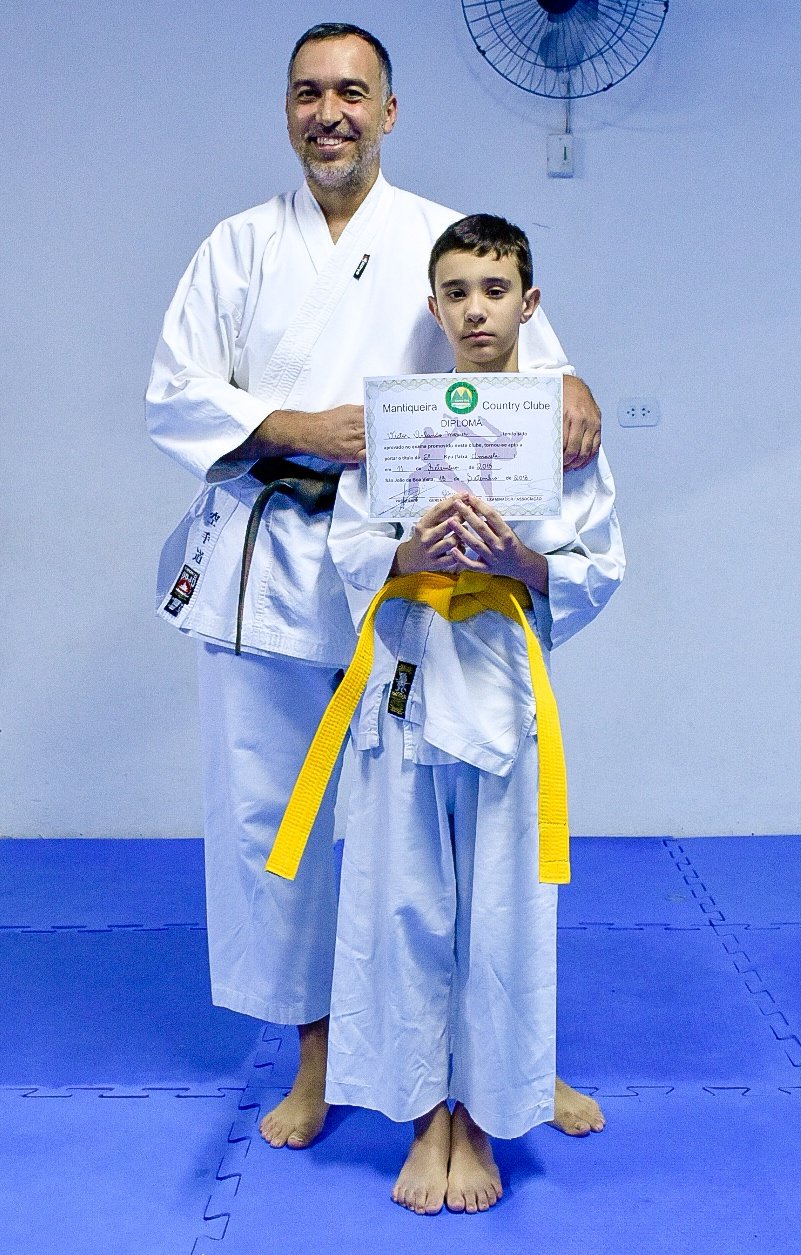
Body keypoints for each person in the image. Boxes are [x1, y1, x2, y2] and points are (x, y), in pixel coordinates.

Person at [145, 23, 605, 1150]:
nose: (329, 113)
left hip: (412, 572)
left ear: (388, 111)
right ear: (287, 111)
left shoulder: (432, 238)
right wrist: (301, 426)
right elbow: (175, 395)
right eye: (308, 93)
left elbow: (518, 353)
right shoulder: (236, 248)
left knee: (456, 830)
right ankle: (317, 1056)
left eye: (352, 92)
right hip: (267, 559)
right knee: (272, 822)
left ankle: (503, 1065)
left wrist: (577, 382)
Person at [320, 214, 625, 1213]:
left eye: (494, 290)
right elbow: (350, 545)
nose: (475, 309)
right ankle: (425, 1118)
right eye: (456, 292)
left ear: (528, 303)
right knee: (404, 904)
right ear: (434, 305)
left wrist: (514, 559)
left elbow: (599, 564)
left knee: (500, 915)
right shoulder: (398, 421)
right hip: (406, 682)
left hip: (500, 685)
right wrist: (406, 553)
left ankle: (487, 1114)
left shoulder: (560, 427)